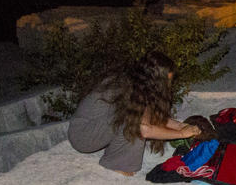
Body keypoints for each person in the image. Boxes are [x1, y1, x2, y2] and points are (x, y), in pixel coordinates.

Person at [68, 50, 202, 176]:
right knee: (134, 121)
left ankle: (117, 156)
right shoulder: (125, 86)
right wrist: (181, 133)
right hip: (83, 135)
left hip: (93, 128)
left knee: (135, 116)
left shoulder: (137, 82)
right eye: (166, 80)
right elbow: (144, 129)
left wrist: (180, 126)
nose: (168, 84)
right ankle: (117, 163)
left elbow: (152, 115)